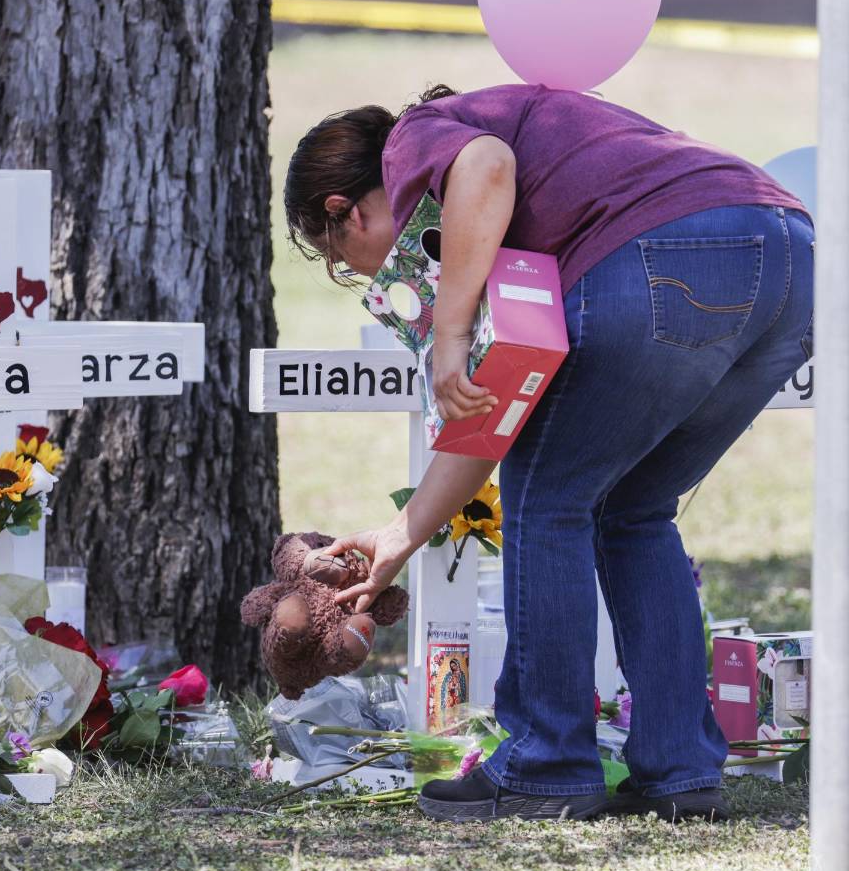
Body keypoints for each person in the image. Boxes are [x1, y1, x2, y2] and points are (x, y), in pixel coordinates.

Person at [283, 82, 812, 823]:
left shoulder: (414, 140)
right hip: (791, 258)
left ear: (347, 211)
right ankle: (680, 768)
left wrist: (452, 335)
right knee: (634, 507)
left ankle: (548, 763)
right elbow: (498, 412)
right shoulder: (505, 225)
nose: (368, 277)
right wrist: (400, 537)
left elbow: (488, 165)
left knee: (547, 497)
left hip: (668, 248)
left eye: (340, 258)